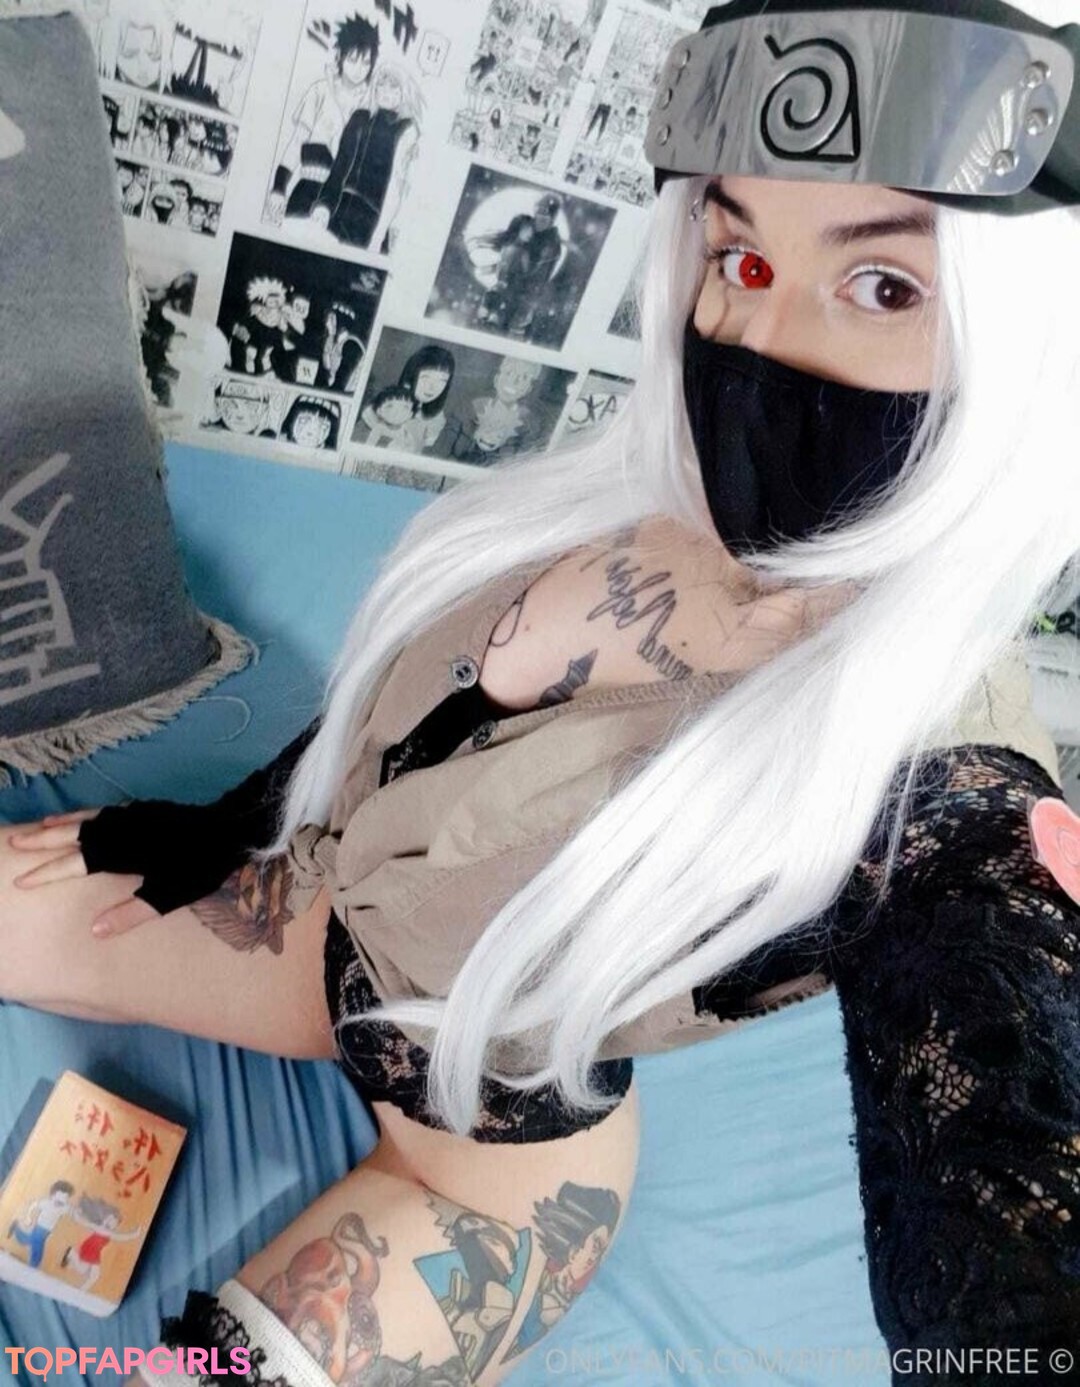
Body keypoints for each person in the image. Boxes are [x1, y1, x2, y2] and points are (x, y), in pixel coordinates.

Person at [4, 2, 1080, 1382]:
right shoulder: (654, 499)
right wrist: (213, 830)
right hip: (321, 918)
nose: (759, 333)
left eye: (885, 286)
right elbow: (404, 732)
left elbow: (1010, 1146)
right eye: (741, 255)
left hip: (484, 1168)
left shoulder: (947, 793)